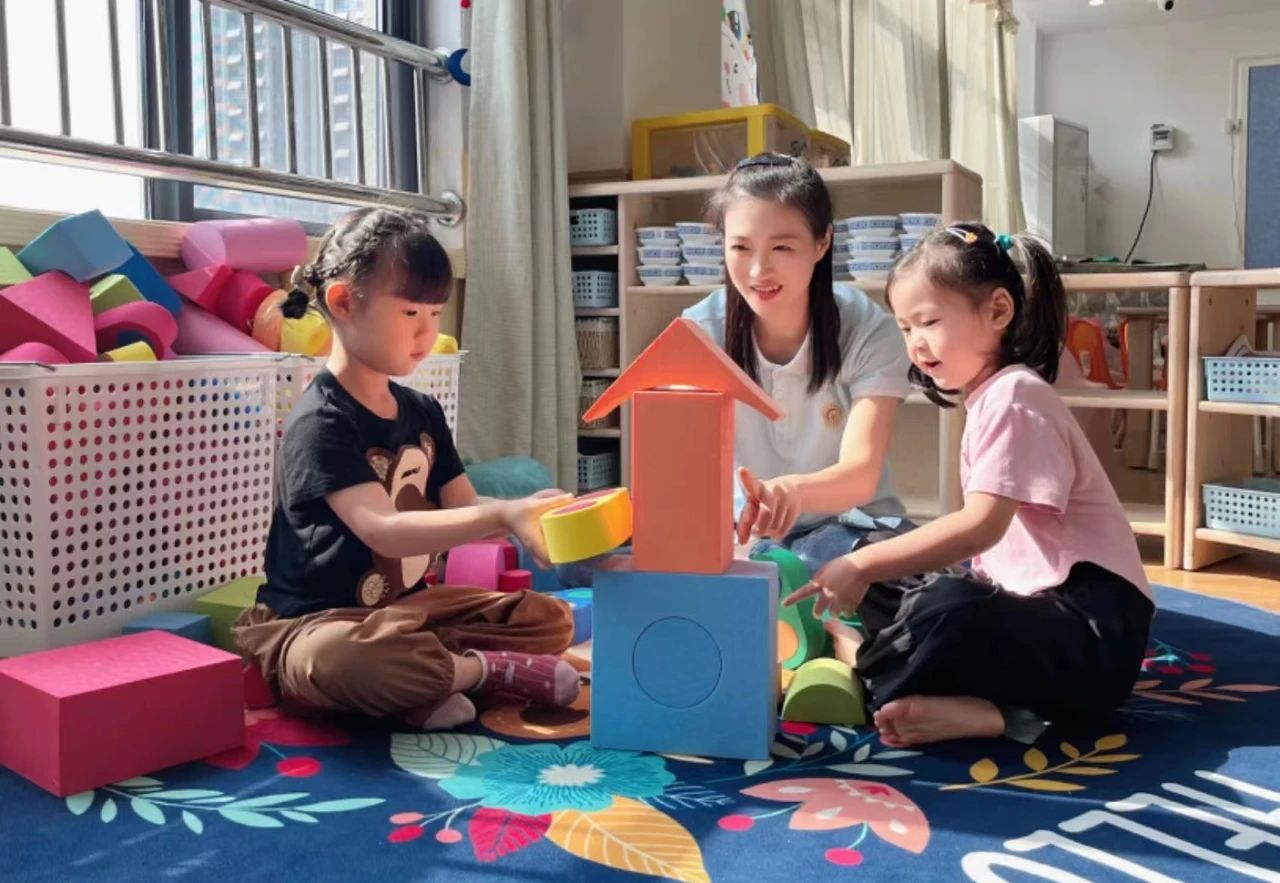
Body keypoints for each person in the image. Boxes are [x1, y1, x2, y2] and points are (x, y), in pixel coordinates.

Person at [785, 222, 1155, 747]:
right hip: (1035, 620)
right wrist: (869, 563)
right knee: (884, 555)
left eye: (929, 322)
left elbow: (980, 528)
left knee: (943, 605)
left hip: (1091, 639)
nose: (916, 343)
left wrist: (862, 568)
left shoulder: (1016, 397)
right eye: (905, 328)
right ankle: (933, 685)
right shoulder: (990, 398)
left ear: (998, 311)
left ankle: (861, 658)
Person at [233, 207, 579, 732]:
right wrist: (504, 516)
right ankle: (478, 671)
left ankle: (431, 681)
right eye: (411, 312)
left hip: (414, 614)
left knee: (548, 618)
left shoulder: (422, 411)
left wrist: (529, 511)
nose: (427, 331)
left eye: (436, 313)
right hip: (320, 624)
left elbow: (465, 506)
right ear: (343, 302)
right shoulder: (321, 421)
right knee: (338, 661)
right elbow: (384, 530)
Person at [681, 154, 913, 572]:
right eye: (740, 247)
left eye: (782, 247)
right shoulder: (698, 334)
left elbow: (860, 474)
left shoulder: (867, 329)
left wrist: (791, 492)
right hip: (748, 534)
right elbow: (685, 468)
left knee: (844, 570)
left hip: (853, 527)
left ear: (822, 242)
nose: (759, 270)